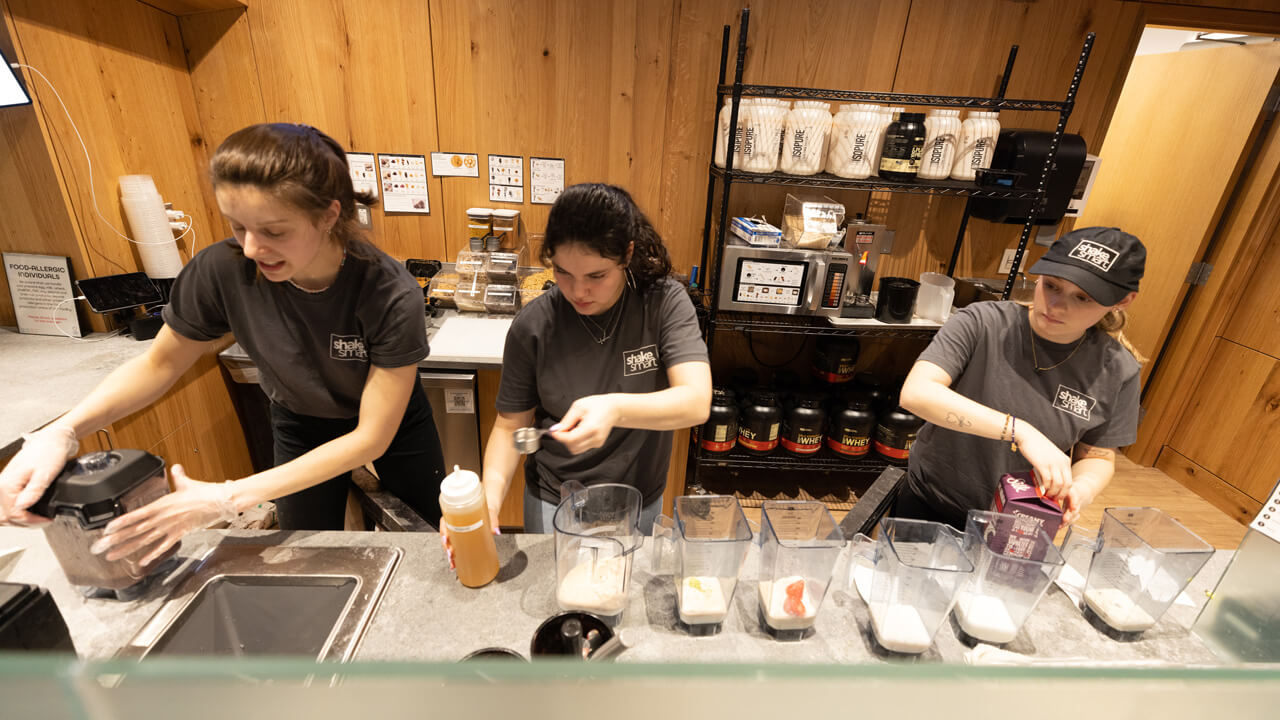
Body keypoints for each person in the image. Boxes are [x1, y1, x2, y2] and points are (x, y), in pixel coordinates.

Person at [0, 123, 446, 564]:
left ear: (329, 216)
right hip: (300, 421)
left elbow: (370, 437)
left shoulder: (389, 292)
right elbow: (159, 364)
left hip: (393, 427)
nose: (251, 248)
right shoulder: (222, 271)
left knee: (428, 542)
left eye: (274, 231)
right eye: (238, 227)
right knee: (308, 553)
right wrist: (62, 431)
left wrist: (226, 497)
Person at [477, 183, 711, 538]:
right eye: (563, 273)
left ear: (627, 254)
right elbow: (511, 427)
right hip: (555, 500)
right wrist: (489, 501)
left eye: (596, 276)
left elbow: (696, 401)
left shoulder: (663, 302)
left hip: (637, 499)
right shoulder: (534, 325)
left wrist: (613, 409)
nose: (578, 291)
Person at [896, 226, 1146, 529]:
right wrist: (1020, 431)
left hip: (1020, 521)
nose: (1056, 305)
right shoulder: (982, 322)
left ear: (1123, 300)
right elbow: (917, 393)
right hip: (932, 500)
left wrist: (1081, 489)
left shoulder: (1118, 370)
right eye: (1051, 286)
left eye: (1082, 298)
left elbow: (1099, 456)